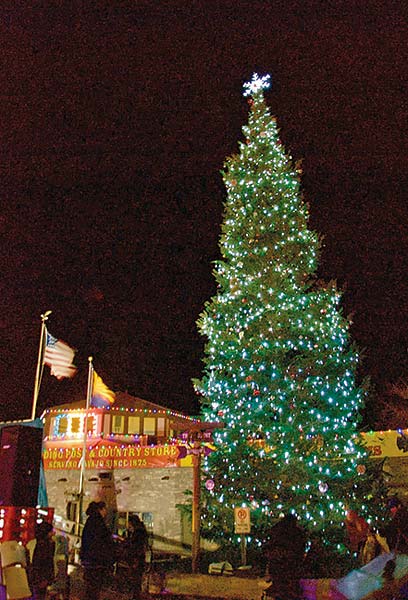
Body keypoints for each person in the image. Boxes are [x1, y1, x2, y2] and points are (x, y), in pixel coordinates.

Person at [263, 513, 307, 600]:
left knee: (280, 587)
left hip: (278, 565)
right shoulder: (296, 532)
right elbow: (300, 548)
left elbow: (269, 546)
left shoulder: (276, 530)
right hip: (291, 566)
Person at [80, 501, 116, 600]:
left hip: (90, 559)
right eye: (105, 510)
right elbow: (104, 541)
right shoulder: (98, 523)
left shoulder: (90, 521)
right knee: (94, 588)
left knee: (91, 588)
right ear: (100, 509)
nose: (106, 512)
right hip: (97, 561)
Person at [120, 514, 149, 600]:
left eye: (129, 523)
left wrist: (125, 542)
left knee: (135, 577)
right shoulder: (139, 531)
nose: (128, 525)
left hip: (136, 558)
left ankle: (135, 595)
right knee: (136, 577)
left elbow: (134, 545)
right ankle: (135, 594)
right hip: (138, 558)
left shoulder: (138, 532)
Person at [29, 521, 55, 600]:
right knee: (40, 594)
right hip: (42, 576)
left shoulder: (38, 543)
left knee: (38, 594)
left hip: (38, 575)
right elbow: (45, 562)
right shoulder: (45, 545)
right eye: (51, 531)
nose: (53, 533)